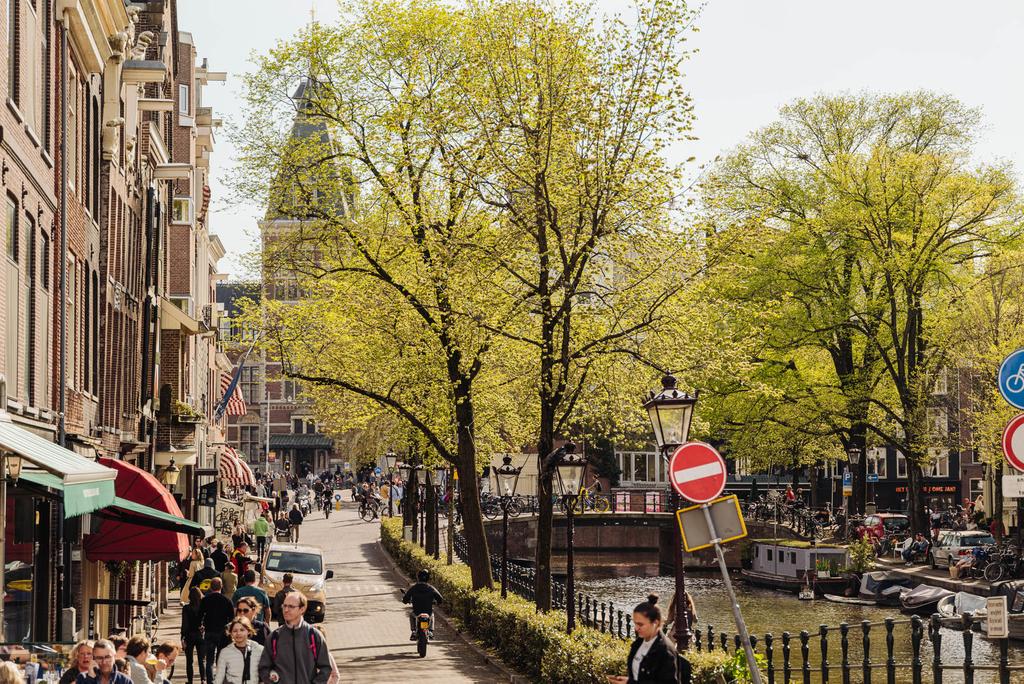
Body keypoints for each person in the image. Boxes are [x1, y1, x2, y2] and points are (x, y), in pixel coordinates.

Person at [257, 591, 331, 684]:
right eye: (284, 606)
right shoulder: (274, 637)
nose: (286, 610)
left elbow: (326, 667)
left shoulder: (314, 636)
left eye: (291, 606)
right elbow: (264, 668)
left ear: (302, 609)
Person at [606, 594, 678, 684]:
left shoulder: (665, 651)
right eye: (635, 624)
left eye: (640, 624)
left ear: (655, 623)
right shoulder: (638, 643)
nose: (636, 628)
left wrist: (630, 683)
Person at [199, 578, 235, 684]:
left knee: (209, 660)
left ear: (210, 587)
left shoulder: (205, 600)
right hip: (222, 633)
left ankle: (210, 681)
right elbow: (232, 618)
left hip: (209, 632)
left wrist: (201, 625)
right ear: (221, 586)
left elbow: (200, 614)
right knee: (221, 659)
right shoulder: (226, 600)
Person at [213, 617, 263, 684]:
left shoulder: (259, 649)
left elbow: (267, 671)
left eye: (242, 630)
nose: (238, 633)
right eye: (235, 631)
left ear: (248, 631)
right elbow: (219, 678)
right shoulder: (225, 652)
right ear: (231, 633)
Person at [402, 569, 443, 641]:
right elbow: (440, 598)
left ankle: (413, 631)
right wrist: (437, 602)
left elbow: (405, 599)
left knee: (411, 615)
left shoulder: (414, 588)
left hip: (416, 612)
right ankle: (430, 631)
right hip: (428, 612)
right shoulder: (431, 588)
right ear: (428, 578)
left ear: (418, 577)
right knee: (432, 615)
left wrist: (406, 601)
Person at [181, 587, 205, 684]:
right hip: (200, 635)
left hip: (189, 635)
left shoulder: (186, 608)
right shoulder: (203, 608)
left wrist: (182, 637)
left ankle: (190, 681)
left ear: (190, 596)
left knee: (189, 661)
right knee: (201, 660)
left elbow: (184, 624)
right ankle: (203, 679)